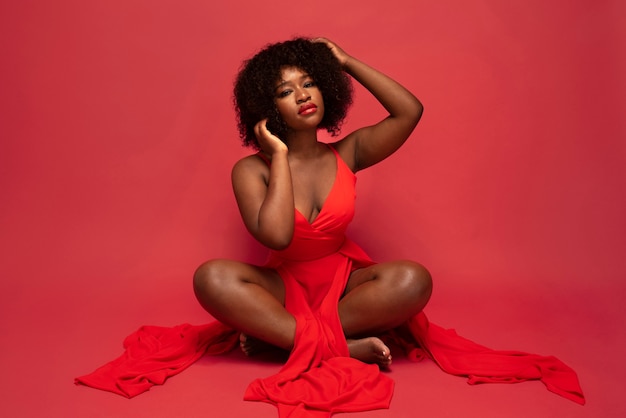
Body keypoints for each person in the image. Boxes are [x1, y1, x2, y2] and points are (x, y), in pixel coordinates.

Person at [193, 37, 432, 368]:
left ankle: (282, 338)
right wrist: (278, 155)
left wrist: (346, 62)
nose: (303, 95)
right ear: (266, 107)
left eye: (309, 83)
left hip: (345, 287)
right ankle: (340, 347)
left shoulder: (349, 152)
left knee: (413, 280)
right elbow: (278, 237)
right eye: (285, 91)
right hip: (283, 287)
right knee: (210, 278)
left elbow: (409, 111)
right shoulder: (250, 170)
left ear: (326, 89)